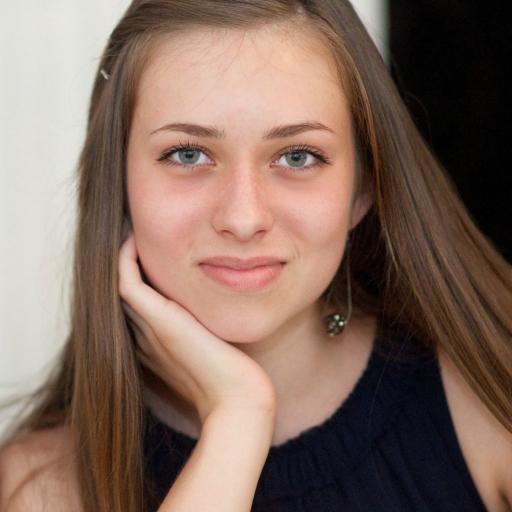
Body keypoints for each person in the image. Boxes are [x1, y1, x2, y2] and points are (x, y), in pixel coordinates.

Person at [0, 1, 511, 511]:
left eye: (297, 156)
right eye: (188, 154)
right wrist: (236, 417)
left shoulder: (489, 403)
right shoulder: (40, 489)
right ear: (118, 182)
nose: (243, 219)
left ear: (363, 187)